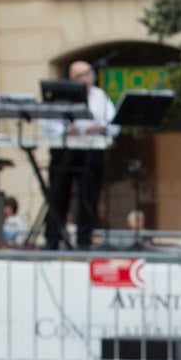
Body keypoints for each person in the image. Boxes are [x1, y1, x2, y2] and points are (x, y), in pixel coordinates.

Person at [41, 60, 117, 250]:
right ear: (72, 78)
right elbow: (47, 121)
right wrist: (65, 130)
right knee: (58, 194)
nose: (87, 78)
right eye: (81, 75)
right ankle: (53, 238)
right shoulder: (61, 93)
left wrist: (99, 128)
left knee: (88, 196)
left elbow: (113, 123)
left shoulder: (100, 96)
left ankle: (84, 240)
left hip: (91, 151)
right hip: (65, 149)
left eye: (88, 74)